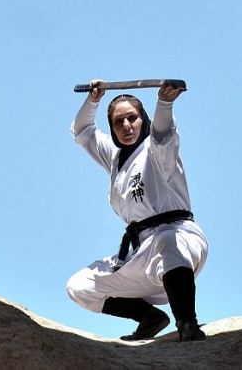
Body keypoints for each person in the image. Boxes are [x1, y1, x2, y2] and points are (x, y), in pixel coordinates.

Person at [66, 79, 208, 342]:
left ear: (143, 119)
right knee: (79, 286)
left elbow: (164, 134)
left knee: (168, 241)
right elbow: (82, 130)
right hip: (141, 251)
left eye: (132, 118)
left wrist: (164, 103)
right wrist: (93, 100)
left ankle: (188, 324)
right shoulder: (115, 156)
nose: (126, 126)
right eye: (119, 122)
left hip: (180, 238)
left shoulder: (156, 149)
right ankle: (149, 317)